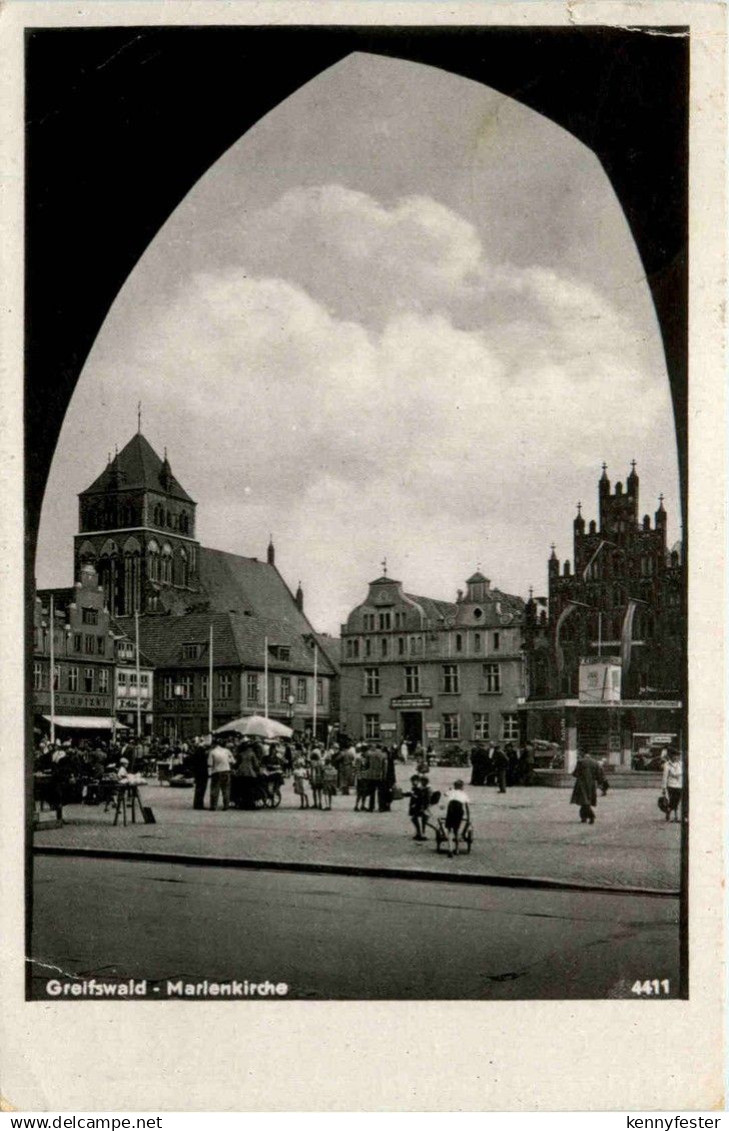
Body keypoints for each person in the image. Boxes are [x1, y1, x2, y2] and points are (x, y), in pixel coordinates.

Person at [570, 750, 605, 824]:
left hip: (581, 783)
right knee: (586, 800)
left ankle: (591, 816)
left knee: (584, 801)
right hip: (591, 784)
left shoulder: (580, 762)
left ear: (584, 755)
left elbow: (575, 773)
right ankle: (584, 817)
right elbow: (599, 775)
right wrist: (599, 783)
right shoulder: (595, 763)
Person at [442, 779, 471, 857]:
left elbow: (445, 794)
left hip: (451, 808)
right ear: (462, 787)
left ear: (454, 786)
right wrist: (468, 816)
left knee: (449, 830)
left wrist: (450, 790)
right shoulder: (464, 794)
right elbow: (467, 805)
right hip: (459, 809)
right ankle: (457, 849)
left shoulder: (451, 791)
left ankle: (450, 849)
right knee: (456, 829)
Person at [208, 739, 234, 811]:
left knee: (215, 790)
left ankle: (213, 806)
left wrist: (209, 773)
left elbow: (210, 764)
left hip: (216, 772)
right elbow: (232, 761)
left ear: (214, 744)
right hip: (226, 771)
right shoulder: (227, 751)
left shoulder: (212, 752)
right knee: (226, 789)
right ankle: (226, 806)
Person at [234, 739, 261, 809]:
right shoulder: (252, 754)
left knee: (243, 789)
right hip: (250, 773)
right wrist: (258, 770)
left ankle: (243, 804)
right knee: (251, 789)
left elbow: (237, 764)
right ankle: (251, 804)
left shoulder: (241, 754)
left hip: (241, 773)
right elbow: (256, 765)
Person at [662, 748, 683, 823]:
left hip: (679, 785)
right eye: (675, 756)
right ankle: (675, 816)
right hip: (671, 785)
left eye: (678, 756)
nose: (676, 757)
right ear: (671, 756)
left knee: (677, 801)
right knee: (672, 800)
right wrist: (664, 788)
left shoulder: (681, 764)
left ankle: (670, 811)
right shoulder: (667, 765)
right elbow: (665, 777)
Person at [406, 774, 429, 840]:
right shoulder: (416, 788)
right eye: (412, 781)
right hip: (416, 806)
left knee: (416, 819)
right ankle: (420, 833)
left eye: (414, 781)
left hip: (418, 806)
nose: (413, 783)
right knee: (416, 819)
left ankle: (420, 833)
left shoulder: (420, 788)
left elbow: (420, 797)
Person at [367, 744, 387, 812]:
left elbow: (367, 765)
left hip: (371, 775)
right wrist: (384, 775)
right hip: (380, 775)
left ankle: (371, 807)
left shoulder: (370, 755)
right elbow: (385, 767)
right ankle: (381, 807)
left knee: (371, 792)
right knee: (380, 792)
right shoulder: (383, 755)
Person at [190, 742, 209, 810]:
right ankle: (200, 804)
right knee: (202, 789)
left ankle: (196, 804)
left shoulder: (196, 754)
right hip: (203, 773)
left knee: (198, 789)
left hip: (197, 773)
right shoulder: (203, 755)